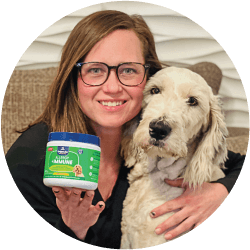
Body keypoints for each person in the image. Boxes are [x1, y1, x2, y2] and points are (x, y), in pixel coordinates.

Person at [6, 10, 246, 248]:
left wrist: (218, 192)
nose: (112, 87)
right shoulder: (31, 158)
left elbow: (236, 162)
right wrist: (72, 228)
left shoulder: (153, 131)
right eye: (95, 69)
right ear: (73, 78)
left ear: (147, 77)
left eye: (128, 70)